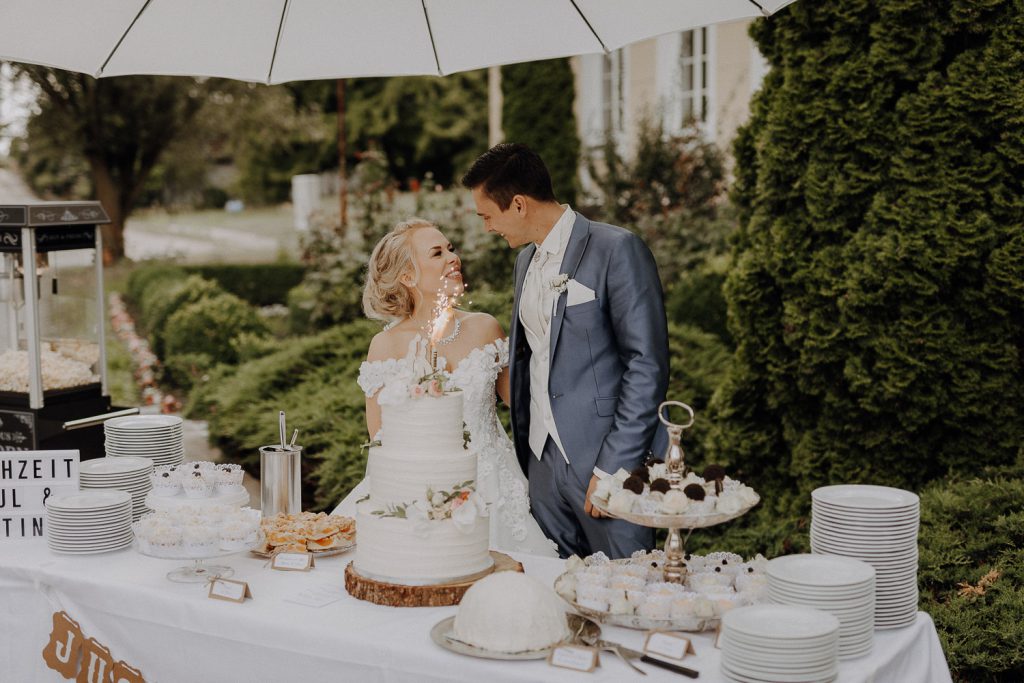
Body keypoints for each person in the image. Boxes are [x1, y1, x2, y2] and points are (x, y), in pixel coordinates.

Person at [461, 143, 669, 559]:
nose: (487, 228)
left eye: (487, 215)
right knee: (556, 584)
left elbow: (647, 366)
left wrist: (613, 467)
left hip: (604, 460)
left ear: (518, 204)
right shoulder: (525, 262)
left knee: (626, 580)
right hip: (540, 463)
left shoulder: (617, 249)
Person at [333, 217, 558, 557]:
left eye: (451, 249)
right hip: (416, 491)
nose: (453, 258)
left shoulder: (485, 328)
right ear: (407, 276)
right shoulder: (385, 346)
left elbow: (526, 406)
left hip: (495, 487)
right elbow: (381, 441)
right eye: (437, 253)